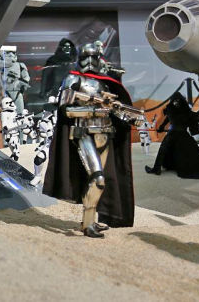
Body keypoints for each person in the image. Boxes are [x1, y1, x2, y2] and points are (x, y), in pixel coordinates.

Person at [43, 44, 145, 238]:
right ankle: (88, 225)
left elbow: (113, 111)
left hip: (105, 135)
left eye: (94, 57)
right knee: (98, 179)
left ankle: (89, 221)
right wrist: (93, 110)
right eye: (86, 57)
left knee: (98, 181)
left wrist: (128, 117)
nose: (90, 61)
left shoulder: (104, 84)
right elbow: (65, 110)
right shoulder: (73, 79)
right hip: (83, 134)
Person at [145, 92, 199, 179]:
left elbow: (194, 115)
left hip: (175, 134)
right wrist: (162, 126)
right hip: (179, 134)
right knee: (165, 150)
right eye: (175, 101)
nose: (176, 102)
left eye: (178, 100)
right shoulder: (179, 110)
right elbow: (169, 118)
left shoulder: (178, 110)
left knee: (166, 150)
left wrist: (162, 127)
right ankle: (157, 169)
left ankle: (157, 169)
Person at [29, 110, 56, 187]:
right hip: (50, 143)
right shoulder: (49, 115)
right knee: (39, 158)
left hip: (63, 144)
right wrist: (49, 131)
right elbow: (42, 123)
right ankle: (38, 176)